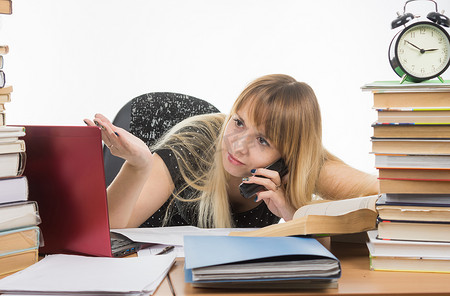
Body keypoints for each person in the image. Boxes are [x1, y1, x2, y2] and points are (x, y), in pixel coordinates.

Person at [84, 74, 378, 229]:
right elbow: (108, 229)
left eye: (263, 140)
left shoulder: (297, 165)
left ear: (288, 157)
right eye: (238, 122)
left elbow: (386, 198)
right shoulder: (194, 145)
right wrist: (138, 164)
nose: (238, 145)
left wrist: (295, 215)